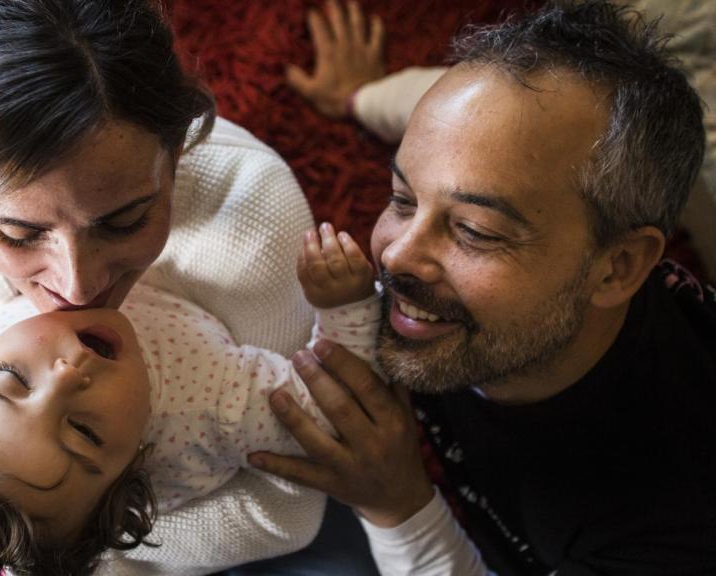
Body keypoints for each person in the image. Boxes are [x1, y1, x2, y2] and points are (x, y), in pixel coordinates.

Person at [0, 0, 375, 573]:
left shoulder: (253, 213)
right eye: (17, 234)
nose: (78, 288)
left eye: (124, 221)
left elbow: (289, 507)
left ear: (179, 151)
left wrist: (103, 548)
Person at [251, 0, 716, 574]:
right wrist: (359, 96)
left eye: (475, 231)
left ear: (617, 267)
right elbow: (464, 126)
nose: (395, 254)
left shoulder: (670, 525)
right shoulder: (505, 146)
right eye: (401, 198)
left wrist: (397, 505)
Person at [0, 224, 379, 575]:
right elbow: (329, 412)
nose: (66, 376)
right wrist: (344, 306)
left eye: (14, 378)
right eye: (83, 432)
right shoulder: (210, 411)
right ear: (128, 477)